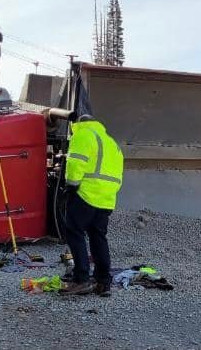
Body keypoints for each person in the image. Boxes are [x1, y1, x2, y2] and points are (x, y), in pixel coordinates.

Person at [61, 114, 124, 297]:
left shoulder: (84, 134)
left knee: (74, 232)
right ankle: (103, 281)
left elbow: (75, 162)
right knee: (98, 237)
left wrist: (71, 186)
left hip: (86, 194)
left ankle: (81, 280)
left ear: (78, 124)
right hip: (106, 198)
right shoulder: (111, 142)